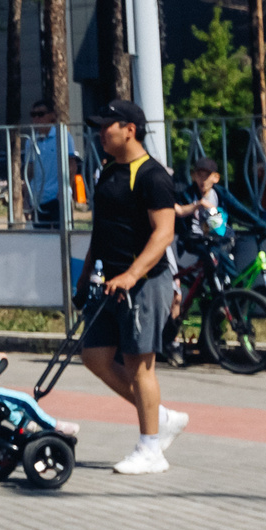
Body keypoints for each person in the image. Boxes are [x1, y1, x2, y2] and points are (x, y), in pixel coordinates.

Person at [79, 99, 188, 476]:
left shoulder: (153, 176)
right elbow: (102, 229)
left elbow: (164, 234)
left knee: (140, 366)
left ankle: (150, 448)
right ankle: (164, 418)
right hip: (109, 281)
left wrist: (131, 275)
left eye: (107, 125)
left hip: (143, 283)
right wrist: (87, 271)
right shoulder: (108, 171)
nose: (100, 132)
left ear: (130, 129)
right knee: (93, 355)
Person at [23, 100, 64, 228]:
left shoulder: (62, 137)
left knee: (61, 239)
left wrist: (65, 191)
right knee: (40, 241)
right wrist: (25, 200)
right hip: (37, 199)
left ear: (51, 116)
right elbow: (29, 172)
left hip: (56, 197)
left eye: (40, 114)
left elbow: (71, 165)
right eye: (33, 115)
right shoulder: (30, 141)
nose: (36, 119)